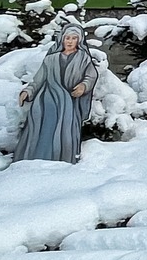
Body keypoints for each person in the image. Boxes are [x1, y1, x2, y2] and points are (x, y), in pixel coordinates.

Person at [15, 23, 99, 165]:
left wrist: (83, 86)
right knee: (42, 127)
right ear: (62, 39)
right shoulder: (50, 59)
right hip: (46, 99)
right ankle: (35, 157)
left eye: (74, 38)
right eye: (67, 38)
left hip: (68, 101)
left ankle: (61, 158)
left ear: (79, 40)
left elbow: (90, 76)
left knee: (65, 128)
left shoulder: (83, 59)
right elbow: (38, 79)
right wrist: (28, 91)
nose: (70, 41)